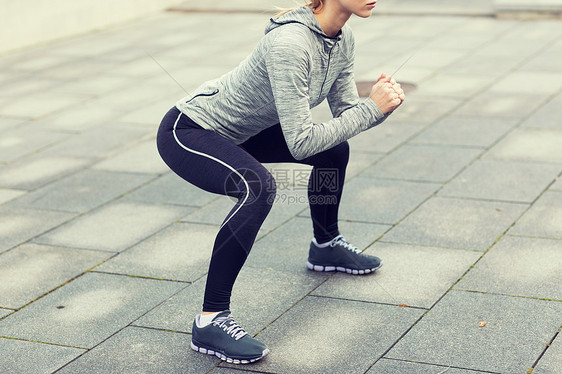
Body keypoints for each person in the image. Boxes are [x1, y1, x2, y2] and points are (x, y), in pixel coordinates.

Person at [156, 0, 405, 365]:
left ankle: (326, 245)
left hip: (242, 132)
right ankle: (210, 320)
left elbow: (347, 114)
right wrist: (371, 109)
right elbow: (300, 141)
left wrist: (379, 108)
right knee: (257, 188)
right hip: (191, 130)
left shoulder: (342, 37)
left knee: (333, 151)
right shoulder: (290, 43)